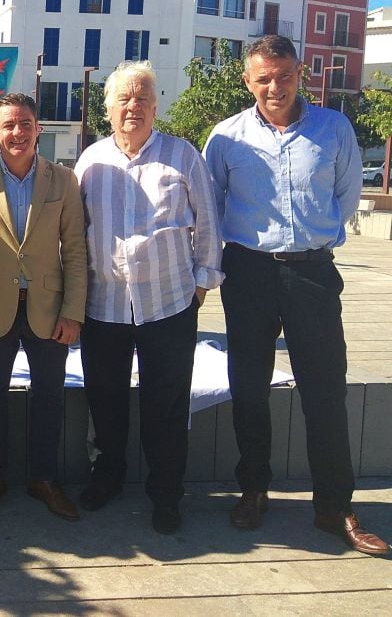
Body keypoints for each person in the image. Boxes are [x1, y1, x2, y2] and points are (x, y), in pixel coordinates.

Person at [203, 35, 388, 556]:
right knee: (249, 388)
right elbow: (212, 206)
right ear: (248, 80)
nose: (274, 86)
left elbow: (346, 194)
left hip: (312, 274)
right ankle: (253, 491)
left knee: (326, 392)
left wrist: (318, 235)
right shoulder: (226, 137)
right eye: (263, 77)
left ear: (299, 72)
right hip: (248, 273)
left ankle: (334, 507)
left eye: (283, 75)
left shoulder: (334, 129)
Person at [74, 60, 223, 535]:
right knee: (106, 398)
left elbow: (209, 225)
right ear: (109, 108)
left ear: (156, 106)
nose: (133, 106)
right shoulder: (90, 161)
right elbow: (75, 233)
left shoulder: (183, 157)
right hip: (105, 306)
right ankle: (109, 476)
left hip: (170, 303)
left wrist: (201, 283)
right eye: (124, 98)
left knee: (167, 403)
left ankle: (165, 492)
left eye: (142, 98)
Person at [0, 94, 87, 518]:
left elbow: (77, 251)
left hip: (49, 307)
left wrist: (73, 312)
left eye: (25, 124)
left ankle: (43, 479)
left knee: (49, 396)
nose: (18, 132)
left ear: (38, 129)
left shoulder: (64, 180)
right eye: (9, 125)